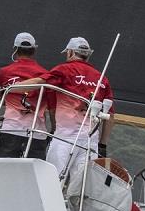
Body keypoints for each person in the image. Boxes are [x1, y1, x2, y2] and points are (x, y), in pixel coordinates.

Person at [21, 37, 114, 188]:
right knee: (82, 189)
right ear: (87, 55)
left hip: (64, 138)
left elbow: (40, 82)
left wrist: (9, 88)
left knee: (52, 183)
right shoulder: (101, 78)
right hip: (90, 142)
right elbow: (110, 116)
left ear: (70, 52)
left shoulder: (64, 69)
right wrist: (102, 144)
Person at [0, 32, 53, 159]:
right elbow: (50, 105)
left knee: (4, 169)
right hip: (36, 132)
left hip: (11, 128)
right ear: (34, 50)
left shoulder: (4, 72)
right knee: (34, 172)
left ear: (15, 49)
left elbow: (3, 100)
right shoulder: (44, 74)